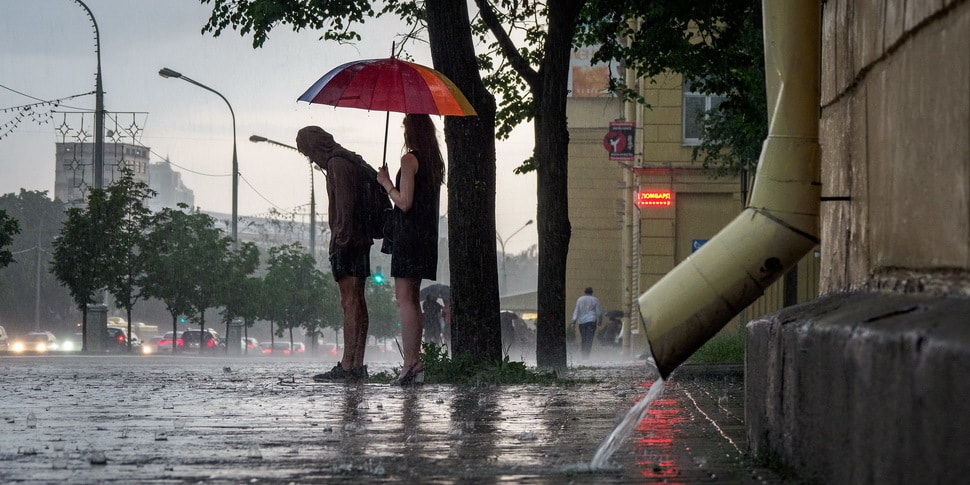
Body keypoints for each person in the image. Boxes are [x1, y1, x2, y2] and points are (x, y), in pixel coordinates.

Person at [296, 126, 372, 382]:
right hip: (360, 240)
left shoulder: (337, 165)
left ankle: (348, 365)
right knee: (358, 301)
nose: (309, 159)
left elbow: (345, 210)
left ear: (315, 146)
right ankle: (357, 364)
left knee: (349, 302)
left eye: (307, 152)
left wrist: (338, 241)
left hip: (348, 242)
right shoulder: (348, 160)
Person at [377, 113, 444, 386]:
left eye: (405, 127)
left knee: (404, 299)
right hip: (426, 237)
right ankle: (414, 362)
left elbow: (404, 203)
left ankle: (409, 364)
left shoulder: (409, 160)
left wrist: (385, 183)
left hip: (408, 237)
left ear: (412, 131)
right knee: (412, 299)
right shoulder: (434, 162)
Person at [571, 286, 603, 358]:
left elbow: (576, 311)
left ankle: (583, 354)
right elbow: (599, 312)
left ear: (584, 292)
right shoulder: (595, 300)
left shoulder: (580, 299)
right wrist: (600, 321)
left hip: (581, 322)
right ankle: (587, 354)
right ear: (592, 292)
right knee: (589, 338)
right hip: (591, 320)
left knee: (583, 338)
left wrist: (573, 321)